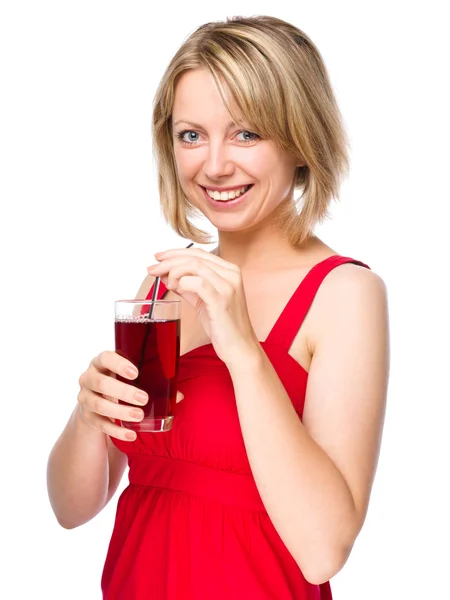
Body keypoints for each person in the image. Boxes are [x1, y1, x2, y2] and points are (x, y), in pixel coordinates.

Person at [47, 15, 389, 600]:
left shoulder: (345, 293)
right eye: (191, 135)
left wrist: (243, 351)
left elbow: (323, 549)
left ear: (300, 137)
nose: (214, 165)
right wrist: (88, 415)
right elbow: (72, 509)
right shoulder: (166, 285)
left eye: (247, 134)